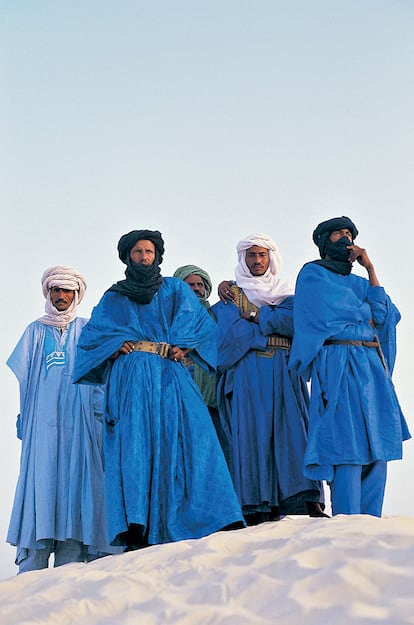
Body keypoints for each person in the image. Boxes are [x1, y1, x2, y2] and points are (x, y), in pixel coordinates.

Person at [74, 230, 244, 550]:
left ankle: (215, 515)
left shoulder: (175, 289)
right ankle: (138, 525)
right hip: (133, 376)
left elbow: (203, 327)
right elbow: (91, 340)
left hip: (170, 372)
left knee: (195, 436)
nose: (143, 257)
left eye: (148, 251)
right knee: (137, 444)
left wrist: (187, 348)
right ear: (128, 256)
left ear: (157, 255)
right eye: (137, 252)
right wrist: (113, 345)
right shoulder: (115, 297)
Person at [289, 216, 410, 516]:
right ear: (324, 241)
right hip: (337, 364)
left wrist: (370, 269)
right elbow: (337, 310)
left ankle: (370, 525)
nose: (345, 237)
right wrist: (365, 310)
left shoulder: (361, 281)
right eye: (337, 233)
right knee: (346, 446)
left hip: (371, 368)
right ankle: (347, 523)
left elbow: (385, 315)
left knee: (377, 449)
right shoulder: (313, 275)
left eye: (349, 233)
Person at [7, 266, 114, 574]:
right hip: (42, 427)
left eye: (68, 291)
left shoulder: (88, 329)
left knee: (78, 484)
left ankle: (71, 563)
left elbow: (102, 372)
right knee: (42, 484)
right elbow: (23, 377)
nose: (62, 296)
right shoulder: (35, 331)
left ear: (77, 294)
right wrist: (25, 419)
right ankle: (32, 570)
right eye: (56, 290)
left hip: (81, 425)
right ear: (48, 293)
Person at [212, 234, 325, 525]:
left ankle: (304, 499)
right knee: (254, 435)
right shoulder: (229, 297)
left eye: (262, 255)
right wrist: (268, 323)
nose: (257, 261)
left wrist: (256, 314)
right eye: (251, 256)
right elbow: (229, 333)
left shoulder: (288, 293)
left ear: (271, 257)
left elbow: (297, 323)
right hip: (250, 371)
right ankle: (258, 504)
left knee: (295, 433)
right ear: (243, 259)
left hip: (287, 371)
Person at [173, 265, 221, 433]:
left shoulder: (216, 314)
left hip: (211, 389)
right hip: (177, 385)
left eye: (200, 285)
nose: (196, 289)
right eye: (190, 285)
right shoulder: (169, 315)